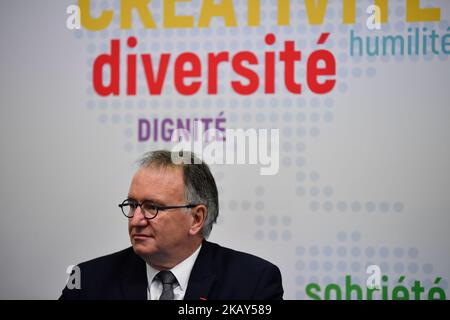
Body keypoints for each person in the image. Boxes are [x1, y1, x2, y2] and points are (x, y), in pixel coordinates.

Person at [60, 150, 283, 300]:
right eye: (132, 205)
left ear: (196, 219)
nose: (136, 220)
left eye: (152, 207)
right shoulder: (87, 281)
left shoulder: (253, 283)